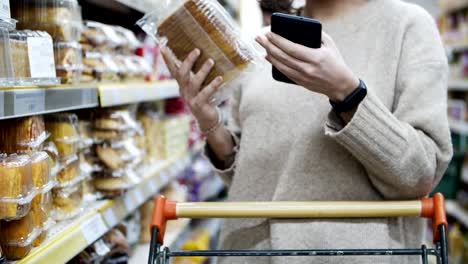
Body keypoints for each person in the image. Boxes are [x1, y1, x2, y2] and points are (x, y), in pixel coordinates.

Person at [161, 0, 453, 263]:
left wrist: (347, 94)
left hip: (351, 256)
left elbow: (420, 174)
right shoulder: (261, 42)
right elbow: (246, 177)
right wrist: (210, 123)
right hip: (247, 253)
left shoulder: (407, 25)